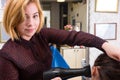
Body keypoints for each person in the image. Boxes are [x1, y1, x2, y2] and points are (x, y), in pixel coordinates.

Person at [0, 0, 120, 80]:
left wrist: (105, 45)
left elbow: (73, 36)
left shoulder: (41, 34)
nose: (31, 23)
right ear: (13, 19)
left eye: (35, 16)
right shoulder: (7, 55)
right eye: (24, 17)